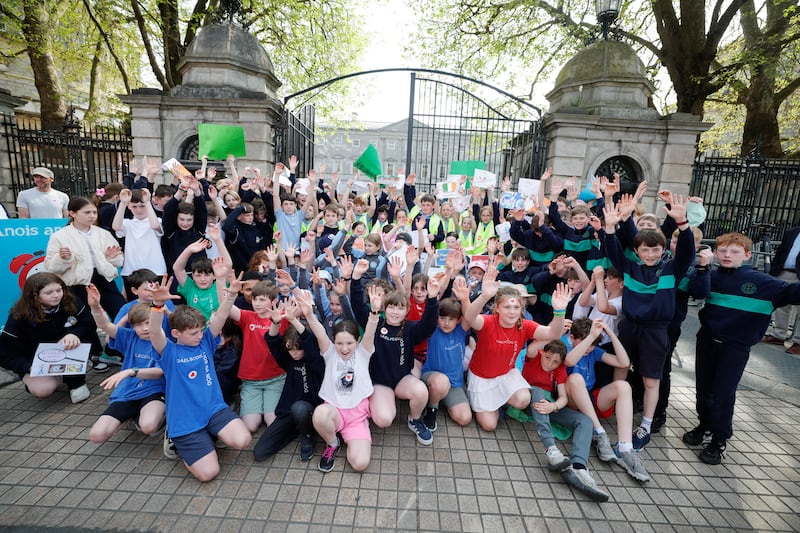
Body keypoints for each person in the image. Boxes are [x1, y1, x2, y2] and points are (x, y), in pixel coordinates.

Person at [684, 232, 800, 465]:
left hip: (735, 347)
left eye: (735, 252)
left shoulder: (764, 283)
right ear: (715, 253)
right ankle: (704, 425)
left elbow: (793, 293)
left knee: (723, 394)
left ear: (747, 255)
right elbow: (695, 290)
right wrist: (702, 269)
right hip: (707, 340)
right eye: (723, 251)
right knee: (703, 388)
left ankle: (719, 439)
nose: (728, 255)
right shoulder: (711, 275)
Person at [602, 195, 693, 450]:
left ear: (663, 250)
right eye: (645, 249)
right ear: (637, 250)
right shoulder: (630, 268)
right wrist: (610, 228)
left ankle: (645, 425)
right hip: (629, 327)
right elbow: (613, 251)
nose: (651, 254)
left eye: (656, 249)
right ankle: (613, 411)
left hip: (656, 331)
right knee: (621, 367)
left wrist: (682, 223)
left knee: (651, 379)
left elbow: (687, 252)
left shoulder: (671, 270)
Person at [148, 274, 252, 482]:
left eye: (200, 331)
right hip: (185, 419)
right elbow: (154, 331)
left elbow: (220, 318)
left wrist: (231, 295)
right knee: (208, 474)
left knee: (243, 439)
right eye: (193, 333)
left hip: (212, 408)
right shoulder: (169, 351)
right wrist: (157, 306)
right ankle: (176, 440)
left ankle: (210, 434)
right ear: (176, 333)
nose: (199, 336)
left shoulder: (205, 341)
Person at [463, 263, 570, 432]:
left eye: (516, 307)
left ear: (522, 308)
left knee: (523, 399)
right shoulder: (489, 322)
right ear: (497, 308)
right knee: (489, 425)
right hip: (481, 378)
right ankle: (481, 398)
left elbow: (553, 334)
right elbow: (469, 317)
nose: (512, 312)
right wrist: (484, 296)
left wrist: (559, 312)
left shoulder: (524, 325)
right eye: (507, 307)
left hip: (505, 375)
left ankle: (499, 400)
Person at [350, 259, 440, 445]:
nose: (395, 312)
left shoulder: (410, 329)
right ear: (385, 308)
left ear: (407, 311)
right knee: (383, 420)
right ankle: (368, 406)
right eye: (391, 307)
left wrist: (431, 299)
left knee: (421, 391)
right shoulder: (375, 323)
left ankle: (414, 420)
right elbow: (358, 305)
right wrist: (356, 277)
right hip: (379, 382)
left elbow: (429, 324)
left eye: (400, 308)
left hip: (401, 379)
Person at [44, 196, 126, 373]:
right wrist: (64, 258)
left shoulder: (102, 233)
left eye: (94, 212)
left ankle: (114, 349)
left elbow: (119, 258)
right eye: (87, 212)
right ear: (73, 213)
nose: (91, 215)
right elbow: (51, 266)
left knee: (121, 310)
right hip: (76, 282)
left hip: (103, 278)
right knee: (85, 318)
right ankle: (94, 354)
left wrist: (112, 258)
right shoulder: (59, 236)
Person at [523, 339, 609, 502]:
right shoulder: (534, 356)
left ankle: (579, 467)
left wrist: (553, 406)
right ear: (543, 352)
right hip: (527, 400)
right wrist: (554, 334)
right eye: (548, 357)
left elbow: (563, 397)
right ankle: (551, 450)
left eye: (555, 361)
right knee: (538, 392)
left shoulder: (560, 368)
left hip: (547, 405)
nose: (549, 364)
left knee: (585, 421)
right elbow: (532, 347)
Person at [306, 286, 381, 473]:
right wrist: (308, 315)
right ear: (334, 341)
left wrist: (374, 312)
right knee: (320, 414)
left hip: (356, 417)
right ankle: (332, 443)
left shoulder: (363, 352)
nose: (344, 348)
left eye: (349, 343)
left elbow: (371, 331)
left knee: (360, 463)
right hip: (334, 410)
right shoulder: (330, 352)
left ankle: (353, 438)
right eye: (339, 343)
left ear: (357, 341)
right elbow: (319, 332)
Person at [564, 318, 650, 482]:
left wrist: (609, 331)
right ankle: (599, 433)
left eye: (592, 345)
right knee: (575, 378)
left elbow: (624, 363)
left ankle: (625, 447)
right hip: (570, 400)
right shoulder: (566, 344)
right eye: (585, 343)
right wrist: (590, 338)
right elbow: (569, 361)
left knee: (623, 386)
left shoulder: (593, 350)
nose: (588, 349)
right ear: (573, 337)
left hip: (589, 400)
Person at [85, 286, 165, 443]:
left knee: (149, 426)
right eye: (139, 325)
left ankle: (155, 416)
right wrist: (95, 307)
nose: (145, 328)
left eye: (148, 323)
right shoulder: (129, 337)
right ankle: (133, 414)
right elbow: (106, 326)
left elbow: (160, 372)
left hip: (154, 390)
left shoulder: (163, 341)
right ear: (133, 326)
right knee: (96, 436)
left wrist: (132, 371)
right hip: (127, 391)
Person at [0, 272, 94, 403]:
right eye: (49, 293)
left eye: (59, 290)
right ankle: (50, 378)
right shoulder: (19, 317)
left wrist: (74, 334)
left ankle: (75, 381)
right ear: (35, 297)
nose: (56, 295)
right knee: (43, 389)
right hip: (36, 361)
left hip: (67, 353)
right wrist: (28, 366)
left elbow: (88, 324)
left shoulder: (70, 301)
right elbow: (5, 354)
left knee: (75, 343)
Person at [254, 296, 325, 462]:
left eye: (298, 349)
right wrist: (275, 322)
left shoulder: (316, 361)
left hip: (312, 410)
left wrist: (294, 320)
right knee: (260, 452)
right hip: (289, 411)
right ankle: (297, 429)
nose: (294, 353)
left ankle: (307, 435)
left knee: (300, 408)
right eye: (290, 349)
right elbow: (272, 340)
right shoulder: (289, 360)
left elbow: (307, 340)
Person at [227, 280, 286, 433]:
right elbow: (226, 308)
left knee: (271, 421)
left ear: (273, 301)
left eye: (262, 299)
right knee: (250, 426)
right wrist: (228, 288)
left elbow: (302, 311)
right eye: (255, 299)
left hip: (275, 379)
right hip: (251, 380)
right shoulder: (248, 317)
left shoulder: (282, 318)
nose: (257, 304)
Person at [421, 280, 473, 429]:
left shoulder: (460, 331)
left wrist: (464, 299)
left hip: (454, 384)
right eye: (442, 318)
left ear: (458, 320)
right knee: (440, 382)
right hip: (432, 377)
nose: (446, 323)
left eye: (451, 319)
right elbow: (429, 311)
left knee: (464, 418)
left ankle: (441, 398)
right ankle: (432, 407)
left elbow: (469, 316)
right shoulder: (432, 330)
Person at [113, 188, 167, 291]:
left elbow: (155, 226)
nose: (139, 210)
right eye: (134, 206)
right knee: (134, 304)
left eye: (142, 206)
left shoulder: (156, 220)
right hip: (131, 270)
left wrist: (147, 202)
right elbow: (116, 226)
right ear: (129, 206)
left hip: (155, 269)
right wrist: (123, 203)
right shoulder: (127, 223)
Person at [762, 225, 800, 354]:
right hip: (784, 272)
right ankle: (778, 335)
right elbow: (781, 251)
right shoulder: (792, 232)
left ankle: (798, 342)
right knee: (780, 306)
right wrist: (774, 270)